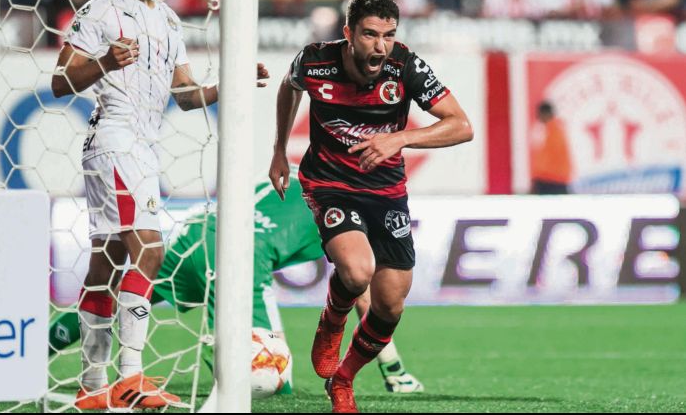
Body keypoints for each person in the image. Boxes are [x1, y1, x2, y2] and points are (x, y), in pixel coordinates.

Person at [51, 0, 268, 409]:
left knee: (106, 261)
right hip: (114, 139)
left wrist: (229, 83)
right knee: (149, 248)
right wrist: (105, 62)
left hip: (142, 145)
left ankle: (91, 386)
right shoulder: (101, 11)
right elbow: (60, 81)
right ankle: (130, 377)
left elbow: (186, 97)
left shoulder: (168, 18)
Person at [48, 170, 425, 402]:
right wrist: (393, 371)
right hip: (244, 254)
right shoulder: (349, 210)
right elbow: (360, 289)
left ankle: (40, 344)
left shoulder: (298, 177)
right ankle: (231, 360)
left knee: (123, 302)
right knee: (275, 379)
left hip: (193, 237)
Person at [269, 0, 473, 413]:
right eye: (369, 35)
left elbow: (461, 126)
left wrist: (401, 138)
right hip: (330, 182)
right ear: (348, 33)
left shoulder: (406, 65)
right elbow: (289, 89)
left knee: (390, 305)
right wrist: (278, 151)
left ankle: (343, 379)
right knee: (357, 270)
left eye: (388, 35)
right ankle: (332, 319)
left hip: (386, 190)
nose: (380, 46)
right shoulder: (315, 59)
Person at [530, 101, 572, 194]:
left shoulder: (553, 132)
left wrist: (537, 177)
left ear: (546, 114)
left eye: (539, 115)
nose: (538, 118)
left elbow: (547, 159)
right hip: (555, 180)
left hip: (551, 181)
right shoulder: (554, 130)